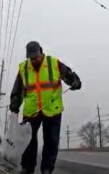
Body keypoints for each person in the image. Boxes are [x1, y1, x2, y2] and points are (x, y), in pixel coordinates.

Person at [10, 41, 82, 174]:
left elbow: (68, 74)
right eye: (31, 58)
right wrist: (15, 102)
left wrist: (75, 81)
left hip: (52, 108)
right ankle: (27, 168)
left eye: (36, 57)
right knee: (29, 141)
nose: (34, 60)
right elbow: (18, 89)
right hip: (31, 110)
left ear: (41, 52)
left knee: (51, 141)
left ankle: (47, 169)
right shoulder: (24, 68)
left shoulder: (53, 63)